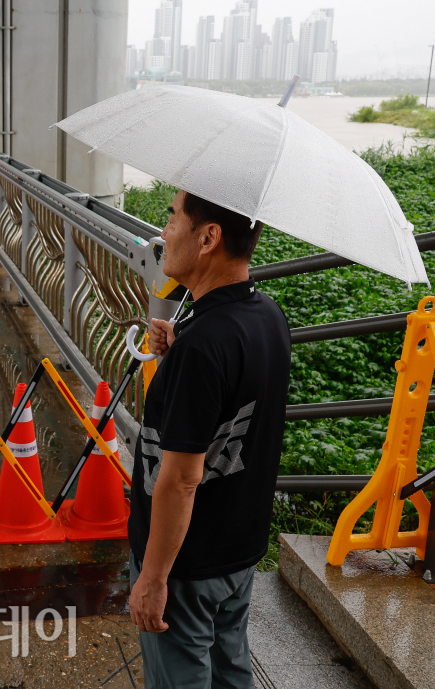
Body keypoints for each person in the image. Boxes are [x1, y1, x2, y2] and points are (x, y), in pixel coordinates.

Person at [127, 190, 291, 689]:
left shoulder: (204, 344)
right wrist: (177, 354)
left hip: (186, 564)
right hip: (237, 549)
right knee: (229, 672)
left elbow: (179, 480)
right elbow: (229, 402)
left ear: (208, 237)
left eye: (173, 217)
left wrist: (153, 579)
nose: (164, 232)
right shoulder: (265, 316)